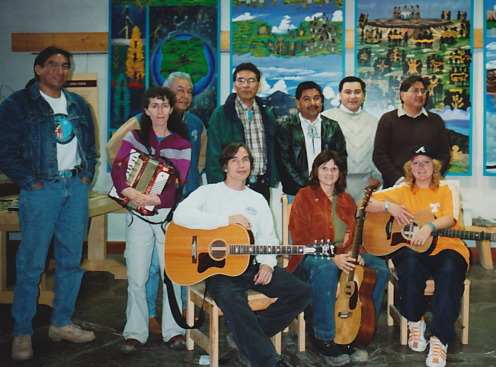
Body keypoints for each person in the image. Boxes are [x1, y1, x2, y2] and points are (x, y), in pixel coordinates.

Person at [173, 142, 312, 367]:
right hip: (218, 270)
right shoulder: (209, 192)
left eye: (246, 159)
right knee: (234, 301)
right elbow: (180, 215)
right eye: (235, 160)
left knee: (302, 292)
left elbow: (268, 238)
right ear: (225, 166)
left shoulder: (257, 199)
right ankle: (269, 361)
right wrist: (225, 221)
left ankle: (246, 336)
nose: (241, 164)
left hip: (251, 265)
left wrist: (267, 265)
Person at [0, 46, 97, 361]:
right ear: (38, 68)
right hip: (42, 189)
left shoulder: (78, 104)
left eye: (65, 65)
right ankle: (22, 333)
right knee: (31, 265)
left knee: (71, 261)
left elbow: (91, 148)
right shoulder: (17, 104)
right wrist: (31, 182)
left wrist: (85, 177)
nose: (60, 70)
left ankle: (61, 323)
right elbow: (5, 150)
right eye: (53, 64)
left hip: (75, 189)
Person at [106, 71, 207, 334]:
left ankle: (173, 331)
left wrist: (158, 199)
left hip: (168, 218)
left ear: (171, 109)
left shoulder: (182, 143)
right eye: (154, 105)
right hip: (137, 216)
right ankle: (135, 332)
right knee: (137, 277)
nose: (160, 111)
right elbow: (118, 167)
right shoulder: (134, 137)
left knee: (171, 275)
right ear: (146, 110)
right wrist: (127, 190)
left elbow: (179, 181)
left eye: (164, 105)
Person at [365, 145, 470, 367]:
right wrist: (388, 206)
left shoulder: (446, 188)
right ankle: (415, 321)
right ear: (409, 168)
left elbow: (450, 218)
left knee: (450, 272)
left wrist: (429, 226)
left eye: (426, 162)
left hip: (447, 245)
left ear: (435, 167)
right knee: (410, 265)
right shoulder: (401, 190)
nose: (421, 167)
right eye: (415, 163)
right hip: (412, 247)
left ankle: (439, 340)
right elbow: (362, 204)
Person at [287, 150, 389, 366]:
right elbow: (300, 237)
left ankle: (360, 330)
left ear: (340, 172)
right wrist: (333, 257)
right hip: (310, 256)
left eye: (334, 168)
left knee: (378, 268)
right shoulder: (304, 196)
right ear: (316, 171)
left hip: (343, 254)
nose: (329, 172)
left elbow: (354, 233)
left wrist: (355, 253)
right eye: (324, 167)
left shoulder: (345, 199)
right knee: (326, 269)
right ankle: (323, 337)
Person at [206, 63, 278, 202]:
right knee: (232, 224)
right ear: (234, 84)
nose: (246, 85)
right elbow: (213, 157)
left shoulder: (267, 113)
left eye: (251, 81)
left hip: (261, 186)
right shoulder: (221, 114)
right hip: (231, 187)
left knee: (259, 224)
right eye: (241, 80)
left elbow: (273, 150)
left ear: (258, 85)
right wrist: (218, 188)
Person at [373, 75, 451, 188]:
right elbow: (379, 155)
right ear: (402, 95)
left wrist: (431, 177)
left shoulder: (435, 120)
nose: (420, 95)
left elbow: (444, 155)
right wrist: (399, 180)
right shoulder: (388, 120)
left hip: (428, 186)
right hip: (396, 186)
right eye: (415, 91)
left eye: (423, 91)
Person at [275, 81, 347, 200]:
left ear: (322, 101)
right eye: (306, 99)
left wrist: (328, 186)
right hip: (296, 193)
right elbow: (284, 163)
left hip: (328, 192)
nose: (312, 103)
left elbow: (341, 159)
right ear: (297, 103)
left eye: (316, 98)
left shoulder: (332, 127)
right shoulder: (286, 129)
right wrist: (308, 187)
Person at [322, 76, 382, 202]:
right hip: (335, 182)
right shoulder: (326, 119)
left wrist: (378, 178)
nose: (353, 96)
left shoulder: (374, 122)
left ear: (363, 95)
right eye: (348, 92)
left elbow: (380, 152)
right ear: (340, 94)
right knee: (336, 221)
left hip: (365, 183)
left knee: (364, 221)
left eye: (357, 92)